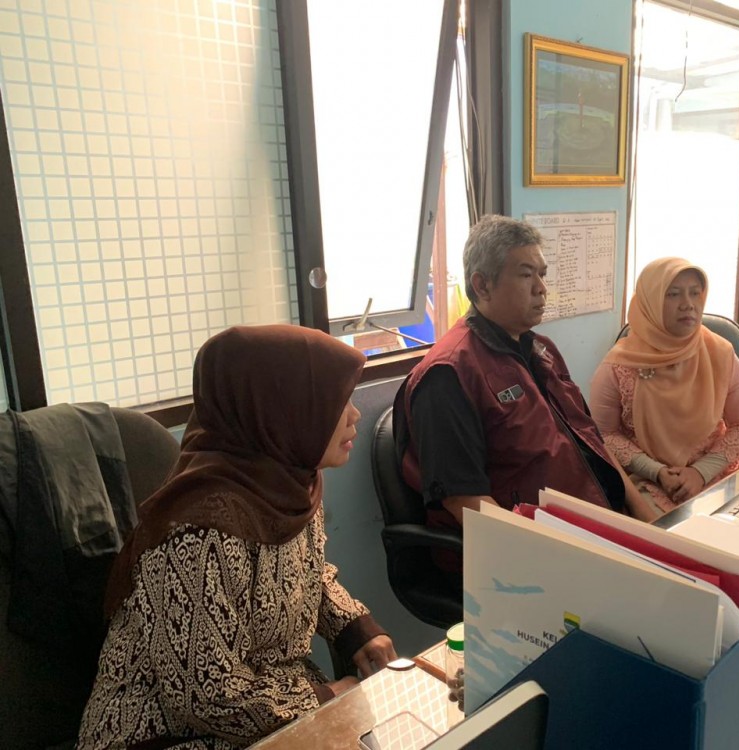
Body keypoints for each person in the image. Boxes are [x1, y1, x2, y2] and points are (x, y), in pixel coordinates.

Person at [78, 325, 397, 749]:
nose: (354, 415)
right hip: (164, 733)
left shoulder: (291, 485)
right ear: (282, 410)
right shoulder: (194, 531)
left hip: (267, 710)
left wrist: (357, 631)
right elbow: (207, 696)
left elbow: (307, 574)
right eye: (339, 402)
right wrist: (325, 698)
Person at [394, 214, 662, 560]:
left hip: (594, 526)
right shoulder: (448, 374)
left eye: (542, 274)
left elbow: (591, 441)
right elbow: (466, 500)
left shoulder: (541, 350)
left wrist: (650, 523)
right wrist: (545, 560)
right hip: (529, 551)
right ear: (482, 285)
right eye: (525, 275)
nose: (541, 288)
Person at [590, 258, 739, 508]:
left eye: (695, 293)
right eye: (673, 294)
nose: (688, 304)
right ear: (650, 302)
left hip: (715, 475)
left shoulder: (719, 353)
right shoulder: (618, 366)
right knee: (667, 529)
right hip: (648, 481)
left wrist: (700, 472)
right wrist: (657, 472)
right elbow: (603, 434)